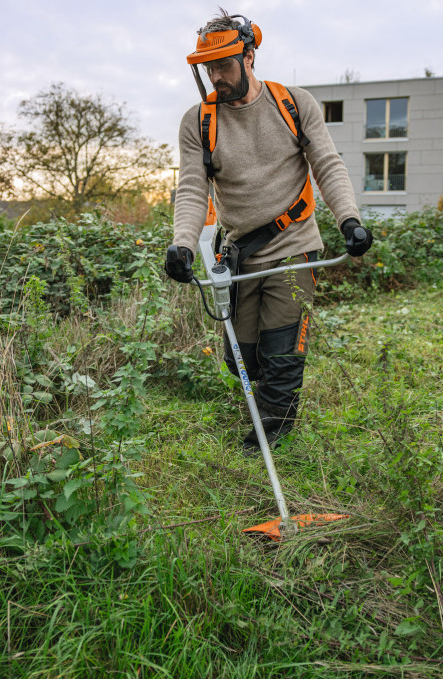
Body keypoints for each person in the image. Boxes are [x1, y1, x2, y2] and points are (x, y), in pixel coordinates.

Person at [164, 9, 373, 452]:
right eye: (208, 68)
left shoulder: (294, 104)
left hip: (294, 243)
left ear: (250, 55)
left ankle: (270, 437)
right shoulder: (198, 122)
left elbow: (328, 166)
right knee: (243, 358)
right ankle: (264, 406)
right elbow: (191, 187)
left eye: (224, 65)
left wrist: (349, 219)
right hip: (239, 251)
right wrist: (182, 244)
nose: (216, 76)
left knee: (282, 353)